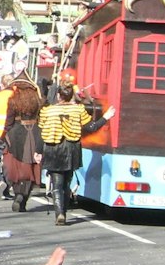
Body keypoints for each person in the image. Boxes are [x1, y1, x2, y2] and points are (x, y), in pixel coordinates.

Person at [37, 72, 111, 226]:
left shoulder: (47, 111)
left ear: (58, 96)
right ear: (71, 96)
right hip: (71, 148)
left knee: (56, 184)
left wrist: (38, 151)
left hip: (53, 148)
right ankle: (64, 208)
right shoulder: (78, 110)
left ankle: (60, 214)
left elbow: (41, 132)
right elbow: (91, 127)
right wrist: (106, 117)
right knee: (66, 182)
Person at [0, 78, 45, 213]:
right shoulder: (39, 101)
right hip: (35, 133)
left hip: (17, 133)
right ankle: (23, 198)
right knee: (31, 168)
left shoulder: (13, 101)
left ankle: (18, 194)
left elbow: (8, 121)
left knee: (16, 167)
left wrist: (4, 136)